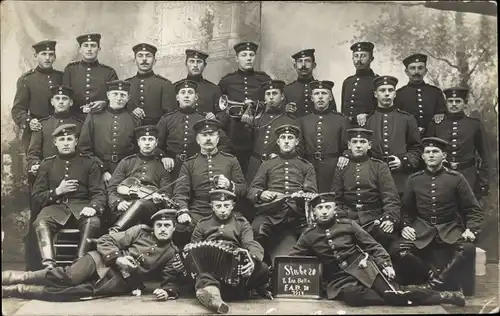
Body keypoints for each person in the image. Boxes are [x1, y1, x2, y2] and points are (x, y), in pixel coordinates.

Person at [289, 192, 466, 307]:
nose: (324, 211)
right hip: (339, 279)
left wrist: (385, 264)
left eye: (328, 207)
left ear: (335, 209)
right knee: (352, 297)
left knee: (394, 296)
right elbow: (292, 259)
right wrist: (277, 277)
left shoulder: (348, 225)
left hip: (364, 268)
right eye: (319, 208)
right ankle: (402, 291)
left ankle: (444, 296)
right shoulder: (308, 235)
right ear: (313, 213)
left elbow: (372, 246)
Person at [2, 209, 186, 302]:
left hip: (119, 281)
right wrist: (117, 258)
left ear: (174, 228)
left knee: (72, 293)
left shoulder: (171, 253)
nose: (163, 229)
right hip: (99, 259)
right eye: (159, 225)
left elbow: (170, 278)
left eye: (167, 225)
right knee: (69, 276)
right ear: (153, 227)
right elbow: (106, 240)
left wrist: (168, 291)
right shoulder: (139, 232)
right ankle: (15, 277)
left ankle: (17, 290)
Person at [391, 137, 483, 290]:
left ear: (444, 156)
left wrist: (471, 229)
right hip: (422, 229)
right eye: (427, 152)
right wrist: (405, 226)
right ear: (423, 156)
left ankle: (436, 283)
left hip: (450, 228)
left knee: (467, 248)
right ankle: (433, 278)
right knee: (397, 249)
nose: (431, 155)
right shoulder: (414, 179)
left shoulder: (456, 178)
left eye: (435, 151)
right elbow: (405, 210)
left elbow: (473, 210)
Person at [30, 124, 105, 269]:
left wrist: (93, 207)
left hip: (82, 207)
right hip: (55, 208)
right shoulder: (47, 164)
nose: (65, 143)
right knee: (41, 222)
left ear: (76, 141)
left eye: (69, 139)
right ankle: (49, 266)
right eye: (62, 139)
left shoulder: (90, 163)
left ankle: (80, 265)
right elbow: (37, 196)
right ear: (55, 143)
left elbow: (99, 193)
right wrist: (58, 191)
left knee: (93, 222)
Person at [189, 189, 272, 314]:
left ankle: (212, 291)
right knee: (204, 272)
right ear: (211, 206)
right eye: (218, 206)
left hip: (233, 266)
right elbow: (193, 249)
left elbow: (250, 243)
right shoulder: (202, 225)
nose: (222, 210)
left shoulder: (241, 224)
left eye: (226, 205)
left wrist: (253, 260)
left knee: (263, 268)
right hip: (211, 269)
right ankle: (215, 300)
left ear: (232, 206)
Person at [247, 124, 317, 264]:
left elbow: (312, 193)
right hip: (271, 213)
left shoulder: (306, 166)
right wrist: (261, 194)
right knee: (255, 230)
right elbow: (252, 190)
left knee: (314, 236)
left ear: (296, 142)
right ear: (278, 142)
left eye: (290, 138)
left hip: (297, 215)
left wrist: (302, 196)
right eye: (283, 138)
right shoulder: (267, 165)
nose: (286, 141)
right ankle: (261, 269)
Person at [173, 119, 246, 248]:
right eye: (204, 135)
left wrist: (230, 185)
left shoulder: (231, 161)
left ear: (218, 139)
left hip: (226, 211)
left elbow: (243, 189)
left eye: (211, 135)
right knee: (179, 229)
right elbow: (180, 192)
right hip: (198, 211)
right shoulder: (189, 164)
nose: (208, 138)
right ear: (197, 139)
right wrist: (183, 211)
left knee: (244, 230)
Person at [331, 128, 400, 249]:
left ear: (369, 145)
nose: (358, 145)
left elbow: (391, 198)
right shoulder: (342, 167)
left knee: (387, 240)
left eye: (362, 142)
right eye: (355, 142)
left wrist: (389, 218)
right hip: (349, 219)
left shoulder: (379, 166)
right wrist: (341, 218)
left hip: (374, 220)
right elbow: (336, 198)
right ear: (349, 145)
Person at [157, 80, 232, 177]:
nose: (187, 96)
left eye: (190, 92)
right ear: (177, 97)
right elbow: (155, 144)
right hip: (172, 169)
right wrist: (164, 157)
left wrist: (209, 160)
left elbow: (225, 144)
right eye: (183, 93)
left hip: (199, 170)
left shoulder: (205, 119)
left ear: (196, 97)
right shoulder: (167, 119)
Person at [426, 87, 489, 201]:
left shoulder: (474, 125)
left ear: (465, 104)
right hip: (441, 175)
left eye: (458, 101)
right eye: (450, 101)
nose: (454, 104)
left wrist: (483, 181)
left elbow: (485, 155)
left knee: (467, 211)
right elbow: (426, 152)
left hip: (468, 176)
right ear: (446, 103)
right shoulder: (436, 124)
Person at [218, 41, 272, 174]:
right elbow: (221, 107)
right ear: (237, 58)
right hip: (234, 133)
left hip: (258, 132)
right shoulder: (227, 81)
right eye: (244, 55)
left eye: (251, 55)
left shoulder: (264, 79)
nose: (248, 58)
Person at [107, 125, 173, 233]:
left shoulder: (161, 166)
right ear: (138, 142)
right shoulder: (126, 162)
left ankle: (115, 231)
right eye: (143, 139)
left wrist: (159, 199)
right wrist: (118, 202)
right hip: (125, 207)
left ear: (156, 143)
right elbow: (112, 188)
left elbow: (166, 193)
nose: (147, 143)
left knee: (141, 203)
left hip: (150, 210)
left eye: (151, 139)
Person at [364, 75, 422, 195]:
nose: (386, 94)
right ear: (375, 94)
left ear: (395, 94)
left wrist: (403, 161)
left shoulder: (407, 119)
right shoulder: (368, 120)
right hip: (374, 180)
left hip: (401, 179)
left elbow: (417, 148)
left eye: (390, 90)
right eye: (382, 90)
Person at [78, 80, 139, 182]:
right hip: (97, 168)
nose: (119, 98)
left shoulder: (133, 119)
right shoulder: (94, 116)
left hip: (126, 170)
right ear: (108, 95)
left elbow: (137, 151)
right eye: (115, 94)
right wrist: (102, 170)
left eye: (123, 95)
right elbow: (84, 148)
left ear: (128, 98)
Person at [11, 40, 63, 153]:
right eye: (43, 54)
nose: (47, 58)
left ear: (55, 57)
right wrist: (29, 121)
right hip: (36, 133)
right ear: (35, 56)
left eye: (51, 54)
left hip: (61, 133)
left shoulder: (62, 77)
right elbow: (17, 109)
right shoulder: (27, 79)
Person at [299, 80, 349, 192]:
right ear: (312, 98)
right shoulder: (303, 121)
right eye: (316, 94)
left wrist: (345, 156)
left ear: (330, 98)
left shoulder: (341, 120)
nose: (320, 97)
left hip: (332, 169)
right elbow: (299, 147)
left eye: (324, 93)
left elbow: (346, 146)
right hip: (309, 167)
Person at [245, 80, 298, 183]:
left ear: (282, 96)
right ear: (264, 97)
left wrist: (280, 155)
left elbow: (298, 148)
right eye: (268, 94)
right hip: (255, 166)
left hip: (278, 166)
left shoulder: (291, 120)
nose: (271, 97)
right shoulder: (257, 116)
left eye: (275, 93)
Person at [27, 86, 83, 178]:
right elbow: (33, 152)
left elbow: (83, 151)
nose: (61, 102)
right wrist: (34, 164)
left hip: (73, 174)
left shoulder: (80, 125)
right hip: (48, 174)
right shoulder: (42, 124)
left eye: (64, 99)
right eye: (57, 98)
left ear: (71, 102)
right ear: (52, 102)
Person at [63, 33, 119, 120]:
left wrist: (105, 103)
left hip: (101, 119)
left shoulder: (108, 72)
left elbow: (116, 97)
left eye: (93, 46)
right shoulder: (70, 70)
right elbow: (65, 95)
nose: (89, 49)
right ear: (80, 49)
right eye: (86, 46)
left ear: (99, 49)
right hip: (75, 118)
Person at [125, 43, 177, 125]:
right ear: (135, 60)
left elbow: (170, 116)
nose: (144, 59)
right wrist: (131, 113)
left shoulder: (164, 84)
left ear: (154, 61)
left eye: (148, 56)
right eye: (140, 56)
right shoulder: (127, 84)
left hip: (156, 133)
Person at [395, 54, 446, 135]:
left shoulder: (436, 92)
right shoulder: (399, 94)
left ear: (425, 71)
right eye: (412, 68)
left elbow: (443, 116)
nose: (416, 72)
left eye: (420, 68)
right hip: (407, 137)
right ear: (406, 72)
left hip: (432, 137)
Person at [283, 49, 337, 117]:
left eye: (307, 61)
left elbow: (333, 115)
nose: (303, 65)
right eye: (300, 61)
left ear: (314, 65)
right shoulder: (287, 90)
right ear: (295, 66)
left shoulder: (324, 88)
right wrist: (284, 110)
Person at [341, 42, 378, 127]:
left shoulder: (376, 81)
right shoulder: (347, 82)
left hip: (368, 127)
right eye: (356, 56)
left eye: (363, 56)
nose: (358, 60)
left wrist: (368, 115)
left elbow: (382, 110)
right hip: (348, 128)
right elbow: (344, 110)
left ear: (371, 59)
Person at [174, 49, 222, 115]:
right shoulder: (175, 87)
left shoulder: (214, 89)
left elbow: (222, 114)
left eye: (199, 62)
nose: (195, 65)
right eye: (192, 61)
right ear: (186, 64)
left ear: (205, 65)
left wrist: (215, 117)